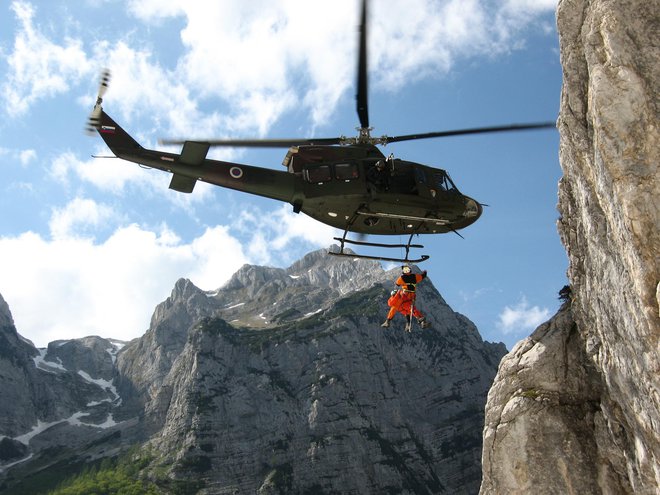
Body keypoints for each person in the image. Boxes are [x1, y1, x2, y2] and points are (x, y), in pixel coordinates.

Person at [381, 265, 431, 331]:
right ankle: (421, 321)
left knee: (409, 309)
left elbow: (397, 284)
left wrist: (388, 319)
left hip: (405, 298)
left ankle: (389, 322)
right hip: (409, 297)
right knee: (411, 309)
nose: (407, 271)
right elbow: (422, 277)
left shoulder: (402, 278)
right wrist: (424, 273)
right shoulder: (414, 277)